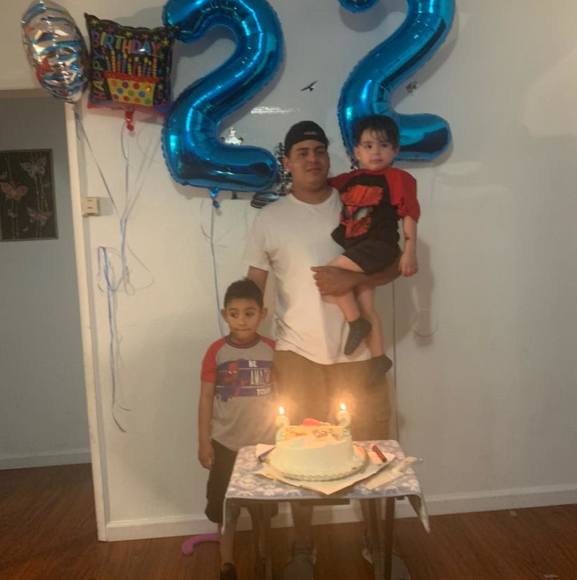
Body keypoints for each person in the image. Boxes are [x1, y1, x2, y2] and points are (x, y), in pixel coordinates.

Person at [244, 120, 399, 580]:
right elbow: (254, 287)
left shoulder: (356, 200)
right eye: (302, 152)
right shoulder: (269, 220)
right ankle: (302, 546)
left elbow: (391, 266)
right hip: (297, 356)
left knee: (372, 450)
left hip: (360, 357)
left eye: (319, 150)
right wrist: (239, 340)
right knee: (298, 456)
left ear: (329, 157)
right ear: (287, 163)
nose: (313, 159)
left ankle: (375, 542)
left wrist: (350, 279)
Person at [326, 115, 420, 371]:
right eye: (368, 146)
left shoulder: (397, 178)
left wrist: (409, 251)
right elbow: (323, 186)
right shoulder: (348, 180)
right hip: (358, 249)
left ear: (395, 150)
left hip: (379, 246)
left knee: (330, 273)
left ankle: (355, 323)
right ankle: (379, 359)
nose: (376, 152)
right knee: (367, 304)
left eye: (384, 145)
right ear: (357, 151)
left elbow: (409, 213)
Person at [198, 279, 276, 580]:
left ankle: (263, 556)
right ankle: (227, 562)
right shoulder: (216, 352)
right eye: (234, 314)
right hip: (225, 444)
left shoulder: (272, 350)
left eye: (249, 313)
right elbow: (206, 398)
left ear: (262, 314)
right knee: (225, 507)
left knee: (262, 509)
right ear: (225, 314)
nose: (241, 320)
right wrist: (203, 441)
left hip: (264, 447)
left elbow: (282, 393)